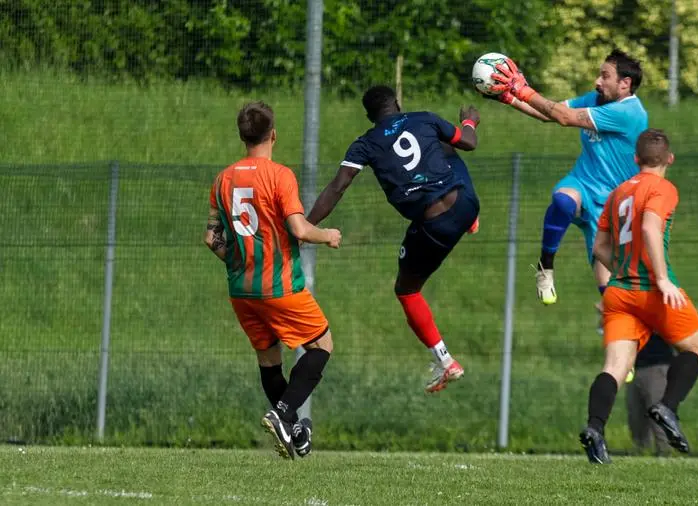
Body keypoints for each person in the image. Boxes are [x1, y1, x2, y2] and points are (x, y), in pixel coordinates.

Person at [306, 85, 481, 394]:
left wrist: (305, 226)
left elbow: (337, 188)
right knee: (447, 146)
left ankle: (445, 362)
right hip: (465, 203)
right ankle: (468, 219)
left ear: (369, 116)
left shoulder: (365, 144)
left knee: (407, 290)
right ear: (397, 104)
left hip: (433, 226)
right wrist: (469, 121)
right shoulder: (424, 118)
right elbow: (468, 142)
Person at [205, 101, 342, 460]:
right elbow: (298, 228)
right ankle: (281, 414)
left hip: (241, 289)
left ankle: (293, 428)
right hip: (279, 286)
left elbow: (211, 238)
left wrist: (237, 260)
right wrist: (326, 234)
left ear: (242, 136)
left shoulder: (223, 179)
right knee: (322, 345)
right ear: (273, 135)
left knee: (269, 361)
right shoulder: (280, 176)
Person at [577, 129, 698, 464]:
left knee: (615, 367)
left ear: (636, 159)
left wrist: (621, 269)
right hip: (653, 290)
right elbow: (650, 227)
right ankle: (667, 407)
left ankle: (595, 429)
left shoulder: (619, 191)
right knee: (696, 350)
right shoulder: (664, 188)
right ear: (670, 159)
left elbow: (599, 248)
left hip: (620, 291)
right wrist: (662, 279)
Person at [489, 50, 647, 325]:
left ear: (625, 84)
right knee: (563, 201)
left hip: (611, 208)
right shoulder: (596, 100)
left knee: (611, 294)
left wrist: (522, 89)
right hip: (582, 184)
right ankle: (545, 266)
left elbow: (563, 117)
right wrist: (508, 97)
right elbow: (549, 113)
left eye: (605, 76)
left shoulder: (628, 113)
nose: (598, 81)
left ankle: (622, 355)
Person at [626, 334, 673, 455]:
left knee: (658, 413)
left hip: (657, 364)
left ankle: (665, 452)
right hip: (634, 366)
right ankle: (641, 451)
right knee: (635, 415)